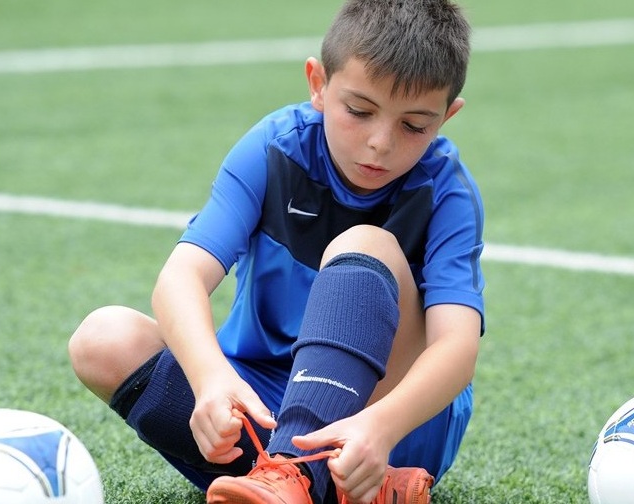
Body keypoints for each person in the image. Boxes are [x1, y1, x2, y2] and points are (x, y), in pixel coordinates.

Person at [68, 0, 485, 502]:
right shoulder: (274, 148)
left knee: (363, 244)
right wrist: (210, 379)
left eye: (414, 126)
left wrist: (380, 427)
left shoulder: (447, 191)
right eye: (359, 111)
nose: (380, 142)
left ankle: (299, 475)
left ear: (448, 115)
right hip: (268, 389)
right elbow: (181, 278)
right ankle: (329, 488)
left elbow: (456, 349)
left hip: (390, 419)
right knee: (103, 339)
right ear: (318, 84)